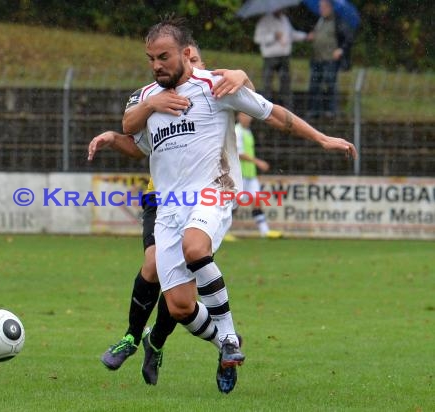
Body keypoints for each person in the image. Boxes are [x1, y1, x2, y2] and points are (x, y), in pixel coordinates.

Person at [116, 16, 356, 393]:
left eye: (164, 56)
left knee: (196, 246)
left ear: (186, 53)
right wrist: (151, 105)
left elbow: (272, 112)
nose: (157, 64)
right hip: (169, 207)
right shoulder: (148, 97)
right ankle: (224, 347)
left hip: (215, 190)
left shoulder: (217, 86)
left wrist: (323, 138)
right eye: (151, 58)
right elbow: (130, 127)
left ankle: (227, 335)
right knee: (179, 306)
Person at [90, 43, 255, 394]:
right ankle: (133, 338)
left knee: (182, 303)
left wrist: (244, 76)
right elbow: (140, 145)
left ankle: (167, 343)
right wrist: (114, 138)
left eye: (195, 63)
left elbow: (254, 104)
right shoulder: (153, 97)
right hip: (161, 199)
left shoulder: (212, 92)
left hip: (205, 201)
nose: (189, 69)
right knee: (153, 265)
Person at [235, 113, 282, 238]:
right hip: (239, 174)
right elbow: (239, 153)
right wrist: (258, 162)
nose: (248, 118)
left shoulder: (247, 131)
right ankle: (223, 233)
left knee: (256, 200)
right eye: (245, 115)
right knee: (233, 204)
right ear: (239, 116)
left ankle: (264, 231)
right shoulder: (237, 131)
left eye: (249, 116)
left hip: (250, 173)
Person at [307, 0, 354, 118]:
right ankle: (314, 111)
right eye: (320, 7)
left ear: (330, 7)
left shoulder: (338, 21)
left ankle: (331, 111)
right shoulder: (320, 20)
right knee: (314, 85)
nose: (321, 9)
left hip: (330, 60)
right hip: (317, 59)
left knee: (330, 85)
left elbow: (348, 38)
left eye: (323, 7)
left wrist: (341, 50)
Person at [254, 9, 307, 109]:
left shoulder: (284, 19)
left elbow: (291, 34)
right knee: (267, 84)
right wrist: (274, 36)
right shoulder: (264, 21)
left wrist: (305, 36)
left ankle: (288, 109)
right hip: (270, 57)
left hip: (284, 57)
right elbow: (258, 38)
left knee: (285, 84)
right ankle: (265, 108)